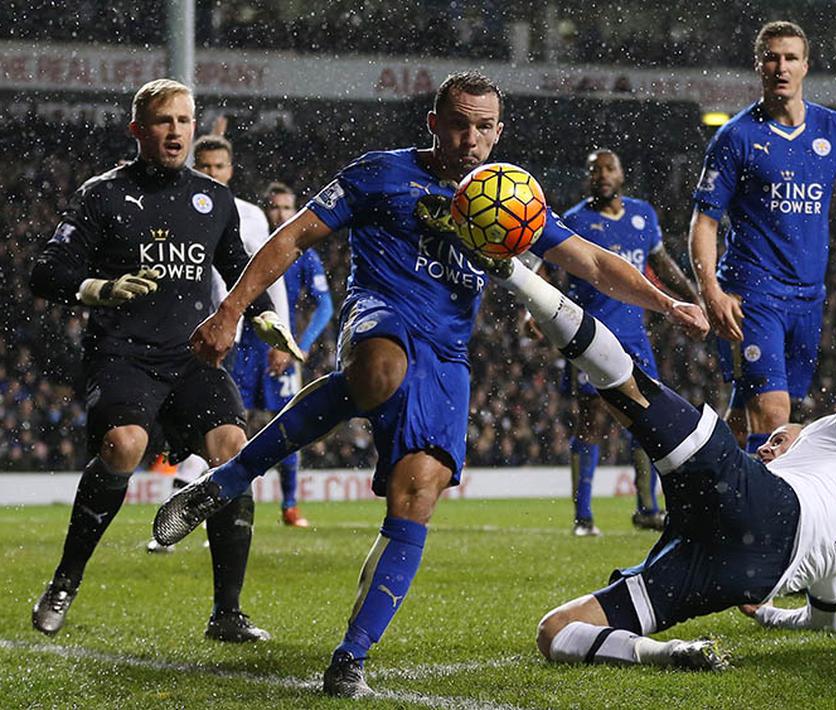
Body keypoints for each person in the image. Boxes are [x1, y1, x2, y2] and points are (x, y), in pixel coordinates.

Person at [152, 71, 708, 697]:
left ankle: (350, 659)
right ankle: (229, 479)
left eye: (484, 126)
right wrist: (231, 310)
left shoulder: (508, 198)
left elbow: (593, 262)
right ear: (434, 124)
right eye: (458, 123)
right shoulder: (378, 173)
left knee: (417, 496)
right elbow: (295, 236)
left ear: (499, 131)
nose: (470, 138)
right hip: (381, 314)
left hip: (447, 358)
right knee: (378, 371)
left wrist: (668, 304)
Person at [476, 255, 836, 669]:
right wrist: (765, 611)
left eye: (776, 440)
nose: (766, 443)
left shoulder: (834, 438)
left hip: (762, 509)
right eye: (767, 443)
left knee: (630, 388)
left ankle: (509, 272)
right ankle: (666, 655)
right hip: (732, 571)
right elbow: (823, 621)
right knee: (556, 632)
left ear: (803, 431)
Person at [28, 78, 300, 641]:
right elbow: (46, 272)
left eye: (183, 120)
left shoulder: (213, 198)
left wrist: (265, 320)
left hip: (191, 358)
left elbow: (240, 268)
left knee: (232, 452)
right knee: (124, 446)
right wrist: (99, 289)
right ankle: (65, 581)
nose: (174, 131)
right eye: (162, 121)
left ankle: (227, 613)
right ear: (137, 130)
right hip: (123, 356)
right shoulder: (101, 194)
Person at [689, 20, 836, 455]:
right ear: (759, 65)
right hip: (752, 295)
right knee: (775, 417)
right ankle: (769, 523)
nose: (781, 67)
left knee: (746, 418)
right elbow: (704, 222)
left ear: (806, 66)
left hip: (809, 297)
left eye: (790, 58)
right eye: (772, 57)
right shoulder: (736, 137)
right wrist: (710, 289)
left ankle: (704, 497)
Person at [147, 136, 297, 553]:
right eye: (206, 166)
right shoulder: (175, 205)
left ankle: (195, 511)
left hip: (237, 333)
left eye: (220, 166)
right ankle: (190, 507)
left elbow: (271, 276)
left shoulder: (249, 217)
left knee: (226, 425)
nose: (213, 173)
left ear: (231, 170)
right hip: (186, 328)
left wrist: (278, 331)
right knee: (195, 424)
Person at [556, 149, 699, 535]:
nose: (601, 175)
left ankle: (648, 509)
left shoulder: (643, 215)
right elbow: (552, 272)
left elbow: (663, 263)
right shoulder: (574, 221)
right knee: (592, 422)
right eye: (594, 170)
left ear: (622, 174)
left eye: (608, 168)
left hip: (636, 337)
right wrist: (537, 316)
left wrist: (693, 297)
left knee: (647, 420)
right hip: (591, 335)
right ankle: (583, 518)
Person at [225, 181, 334, 527]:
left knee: (287, 426)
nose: (280, 214)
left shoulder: (305, 254)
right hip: (243, 348)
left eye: (287, 208)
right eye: (274, 207)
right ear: (264, 210)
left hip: (280, 349)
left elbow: (325, 306)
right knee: (229, 423)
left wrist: (299, 344)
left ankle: (289, 506)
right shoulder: (248, 246)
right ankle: (229, 499)